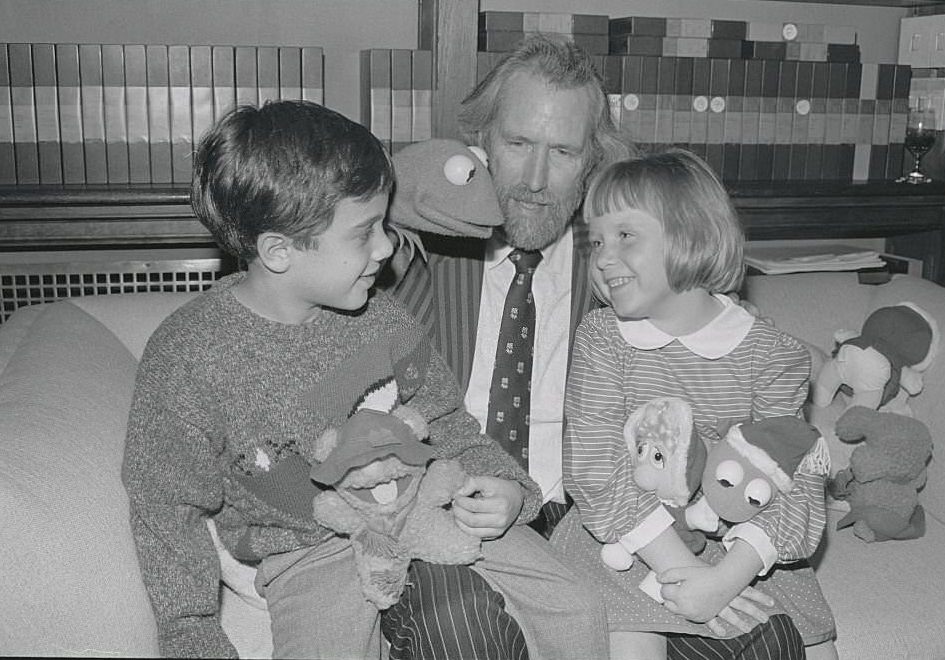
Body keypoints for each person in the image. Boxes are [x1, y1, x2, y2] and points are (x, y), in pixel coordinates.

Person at [122, 99, 606, 659]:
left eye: (384, 224)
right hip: (308, 548)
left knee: (578, 603)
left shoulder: (383, 321)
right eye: (364, 233)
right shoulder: (189, 357)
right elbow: (166, 508)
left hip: (428, 505)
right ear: (278, 251)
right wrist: (190, 633)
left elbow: (449, 423)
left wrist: (510, 490)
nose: (387, 247)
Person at [385, 33, 808, 660]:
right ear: (481, 144)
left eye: (562, 151)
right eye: (517, 143)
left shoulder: (621, 267)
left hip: (597, 517)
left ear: (593, 163)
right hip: (462, 509)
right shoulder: (418, 253)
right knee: (462, 629)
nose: (532, 180)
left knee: (765, 640)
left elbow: (727, 338)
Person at [552, 148, 838, 659]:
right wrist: (677, 568)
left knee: (811, 646)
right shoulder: (603, 339)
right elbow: (594, 464)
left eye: (624, 236)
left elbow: (792, 481)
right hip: (631, 534)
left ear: (693, 237)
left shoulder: (772, 355)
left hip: (736, 540)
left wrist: (727, 577)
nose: (601, 257)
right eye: (595, 240)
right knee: (631, 640)